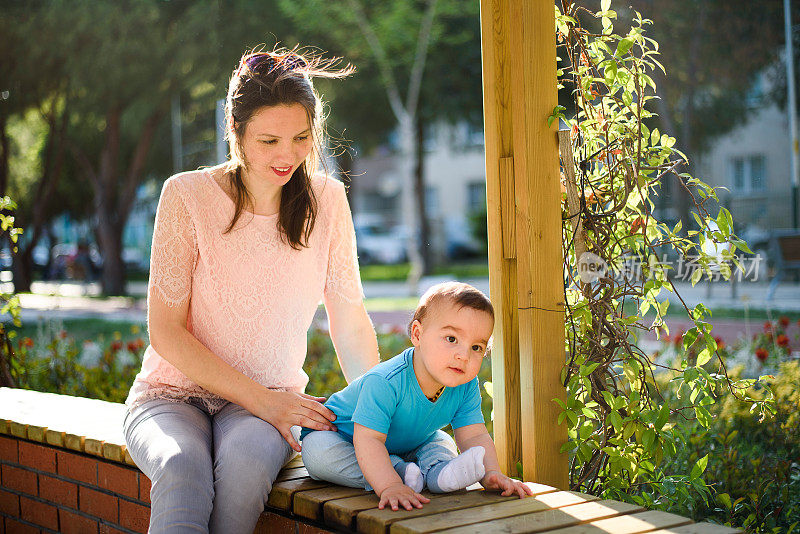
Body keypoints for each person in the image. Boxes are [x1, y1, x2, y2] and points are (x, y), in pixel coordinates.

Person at [122, 47, 382, 534]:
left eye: (302, 138)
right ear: (235, 132)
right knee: (181, 467)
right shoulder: (186, 196)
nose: (287, 155)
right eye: (269, 140)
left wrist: (379, 414)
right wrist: (262, 400)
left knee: (243, 473)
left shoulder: (328, 201)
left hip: (271, 404)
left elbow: (349, 322)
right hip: (170, 397)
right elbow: (166, 333)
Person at [301, 282, 534, 511]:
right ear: (417, 334)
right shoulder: (385, 382)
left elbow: (473, 435)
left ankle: (439, 473)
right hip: (345, 438)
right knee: (317, 454)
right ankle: (398, 472)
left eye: (476, 348)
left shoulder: (465, 385)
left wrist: (492, 473)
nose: (464, 355)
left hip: (408, 442)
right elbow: (368, 440)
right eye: (452, 339)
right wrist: (389, 485)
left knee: (442, 440)